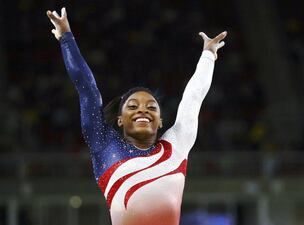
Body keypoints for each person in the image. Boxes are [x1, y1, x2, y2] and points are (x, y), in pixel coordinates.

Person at [47, 7, 227, 225]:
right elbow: (87, 89)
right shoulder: (104, 146)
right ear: (120, 119)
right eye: (133, 106)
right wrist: (66, 37)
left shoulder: (175, 147)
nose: (143, 110)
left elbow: (194, 98)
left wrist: (208, 55)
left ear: (160, 121)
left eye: (151, 108)